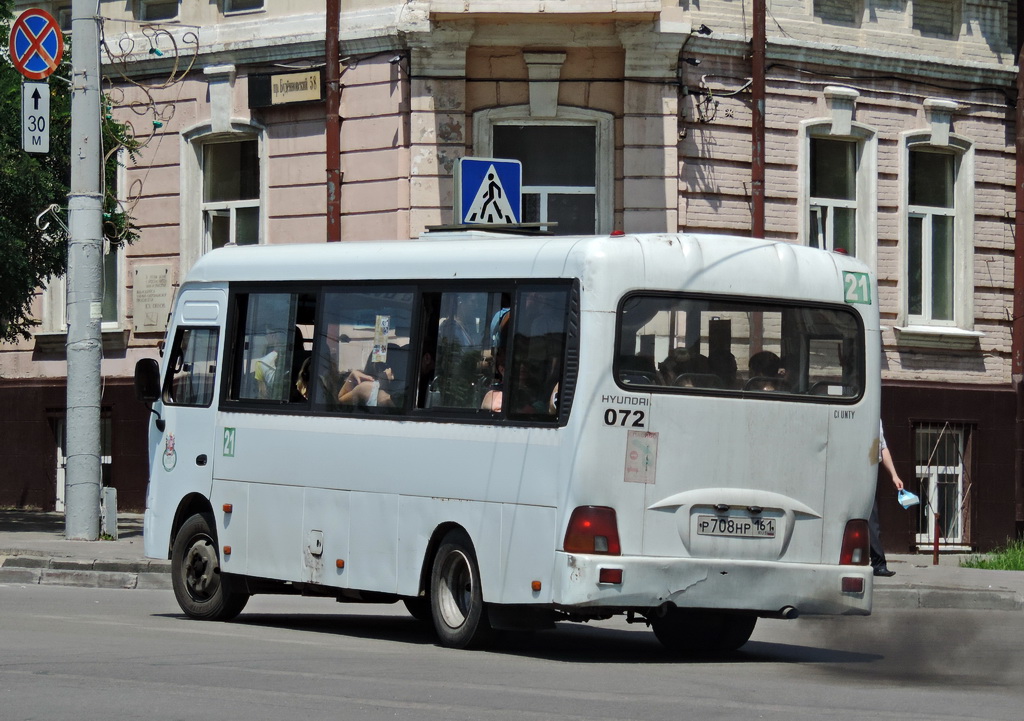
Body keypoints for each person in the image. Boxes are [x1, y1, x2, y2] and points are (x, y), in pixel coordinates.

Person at [870, 421, 905, 577]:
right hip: (853, 466)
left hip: (869, 467)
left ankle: (878, 563)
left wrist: (894, 475)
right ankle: (877, 563)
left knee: (872, 517)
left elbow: (882, 447)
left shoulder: (875, 418)